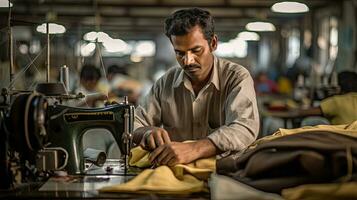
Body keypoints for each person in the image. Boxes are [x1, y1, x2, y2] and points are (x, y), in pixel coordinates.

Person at [133, 8, 259, 166]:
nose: (188, 61)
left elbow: (244, 128)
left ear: (213, 43)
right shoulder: (165, 83)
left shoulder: (236, 77)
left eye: (196, 50)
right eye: (179, 53)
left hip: (223, 172)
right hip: (176, 172)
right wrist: (146, 132)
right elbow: (133, 123)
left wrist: (194, 149)